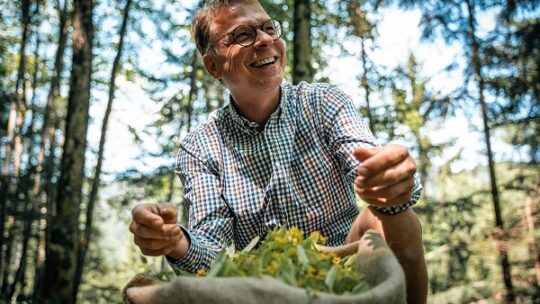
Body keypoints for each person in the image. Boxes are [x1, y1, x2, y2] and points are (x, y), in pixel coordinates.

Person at [129, 0, 428, 303]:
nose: (265, 40)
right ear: (213, 66)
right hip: (262, 285)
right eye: (243, 35)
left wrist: (390, 183)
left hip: (346, 261)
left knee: (392, 215)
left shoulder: (324, 103)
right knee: (142, 291)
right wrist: (177, 241)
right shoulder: (200, 147)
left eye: (268, 28)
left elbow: (370, 164)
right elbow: (213, 257)